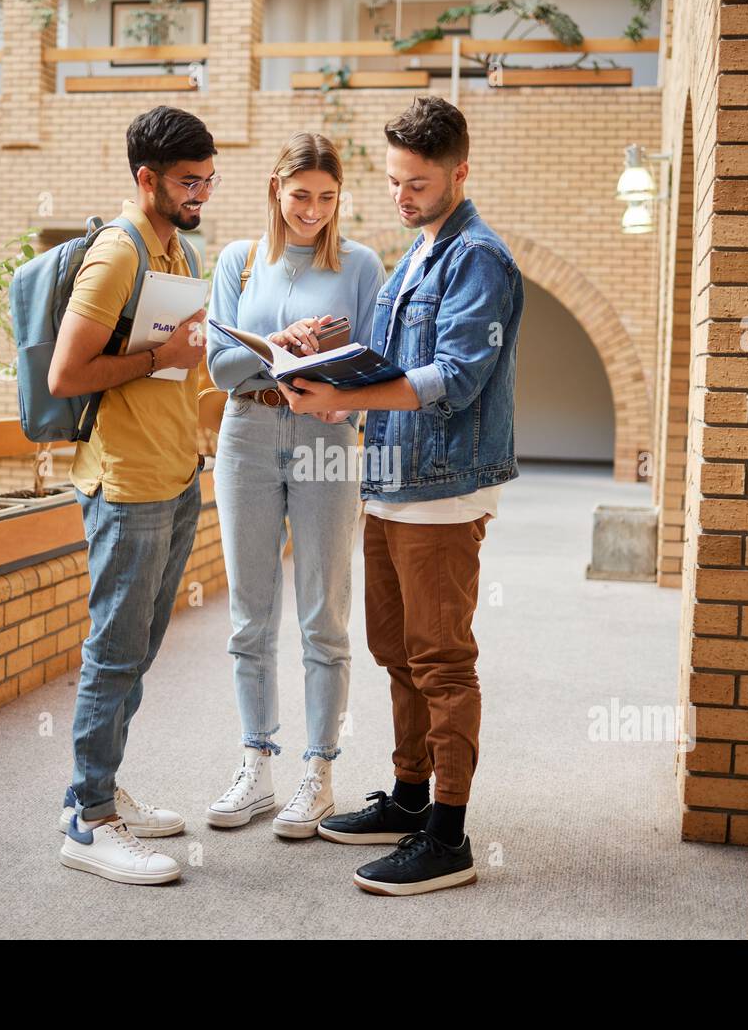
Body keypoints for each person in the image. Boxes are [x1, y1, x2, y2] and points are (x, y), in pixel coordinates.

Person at [280, 97, 524, 895]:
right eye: (392, 181)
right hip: (387, 481)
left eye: (417, 183)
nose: (402, 195)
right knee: (397, 653)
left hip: (441, 491)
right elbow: (393, 362)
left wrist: (346, 399)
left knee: (442, 662)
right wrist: (331, 359)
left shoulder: (478, 258)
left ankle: (447, 836)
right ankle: (412, 796)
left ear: (461, 170)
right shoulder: (418, 251)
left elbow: (454, 377)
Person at [47, 106, 217, 886]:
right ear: (145, 178)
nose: (201, 194)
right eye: (188, 182)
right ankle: (88, 821)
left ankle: (100, 786)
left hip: (174, 473)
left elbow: (180, 361)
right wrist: (158, 357)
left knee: (140, 649)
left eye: (209, 181)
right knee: (114, 652)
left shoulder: (174, 246)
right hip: (126, 482)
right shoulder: (117, 253)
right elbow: (66, 375)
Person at [205, 132, 385, 838]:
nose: (312, 209)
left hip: (327, 439)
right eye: (301, 194)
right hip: (245, 434)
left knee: (323, 615)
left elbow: (377, 368)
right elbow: (220, 368)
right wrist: (288, 346)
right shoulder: (237, 261)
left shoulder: (362, 265)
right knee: (250, 615)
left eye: (327, 197)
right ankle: (256, 765)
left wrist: (338, 387)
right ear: (277, 189)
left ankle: (319, 771)